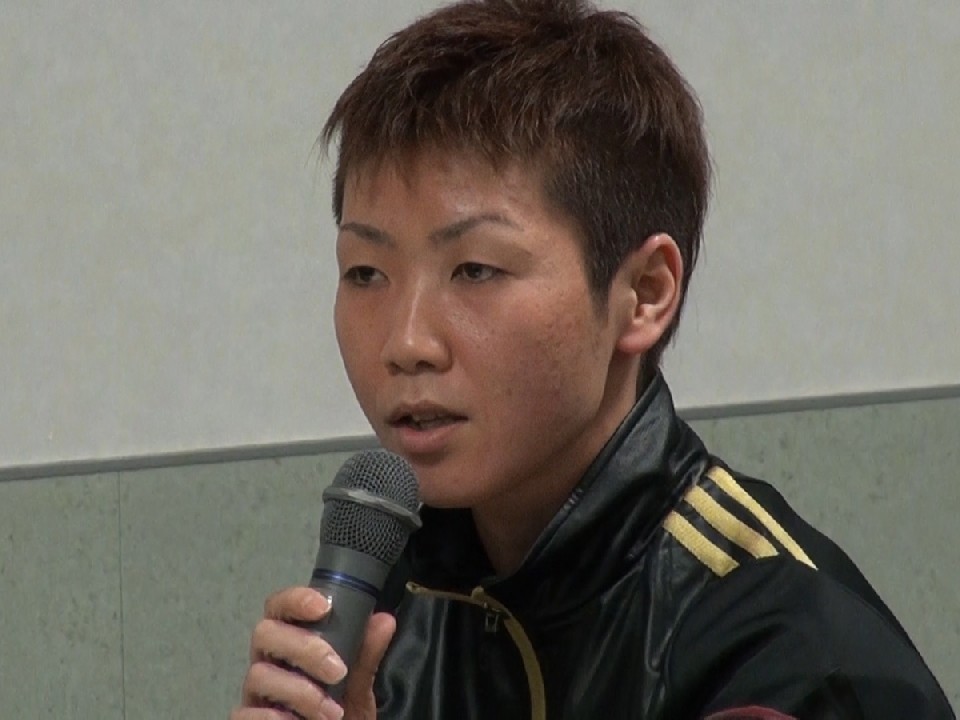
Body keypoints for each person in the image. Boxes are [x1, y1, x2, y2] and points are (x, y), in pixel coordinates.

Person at [231, 1, 955, 718]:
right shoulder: (396, 601)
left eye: (476, 270)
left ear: (644, 294)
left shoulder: (781, 654)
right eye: (365, 273)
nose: (406, 343)